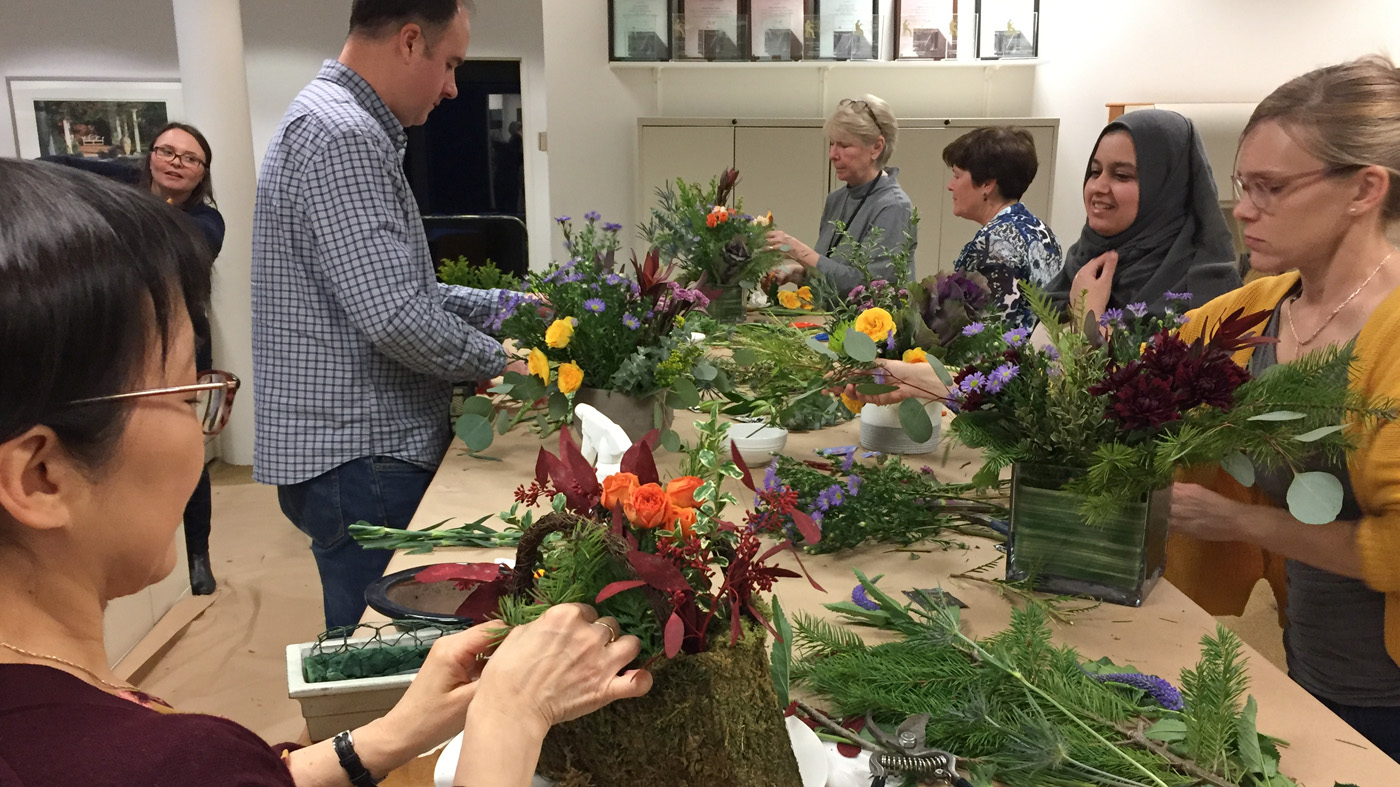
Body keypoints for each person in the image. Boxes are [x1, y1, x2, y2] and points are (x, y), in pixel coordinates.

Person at [0, 158, 651, 787]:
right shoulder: (155, 760)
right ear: (41, 476)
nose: (207, 424)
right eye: (184, 392)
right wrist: (511, 714)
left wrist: (384, 737)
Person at [253, 0, 519, 630]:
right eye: (449, 64)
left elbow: (403, 291)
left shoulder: (337, 125)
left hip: (353, 451)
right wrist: (504, 360)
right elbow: (396, 316)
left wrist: (514, 308)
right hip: (364, 453)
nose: (454, 87)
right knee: (387, 659)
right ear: (408, 42)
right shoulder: (344, 134)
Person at [1164, 55, 1400, 762]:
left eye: (1271, 188)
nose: (1244, 209)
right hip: (1312, 659)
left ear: (1364, 188)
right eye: (1244, 185)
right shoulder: (1252, 316)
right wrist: (946, 385)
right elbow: (1123, 397)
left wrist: (1238, 519)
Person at [41, 121, 225, 595]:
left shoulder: (206, 222)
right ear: (149, 156)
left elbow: (169, 249)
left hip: (175, 354)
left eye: (189, 158)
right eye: (167, 152)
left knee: (184, 454)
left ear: (202, 173)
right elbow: (53, 164)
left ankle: (197, 552)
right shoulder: (127, 185)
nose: (175, 163)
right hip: (118, 347)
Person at [1044, 108, 1242, 318]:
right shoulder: (1078, 268)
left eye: (1121, 175)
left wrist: (1086, 320)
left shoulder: (1209, 289)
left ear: (1167, 189)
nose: (1098, 187)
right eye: (1095, 172)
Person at [765, 95, 917, 295]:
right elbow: (834, 274)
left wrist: (796, 250)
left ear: (876, 147)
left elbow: (869, 287)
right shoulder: (836, 199)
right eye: (832, 144)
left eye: (844, 146)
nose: (833, 154)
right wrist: (797, 273)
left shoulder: (894, 207)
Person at [943, 126, 1063, 331]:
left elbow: (987, 337)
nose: (950, 185)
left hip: (1006, 362)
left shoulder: (993, 244)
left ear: (987, 184)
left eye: (957, 175)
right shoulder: (1042, 232)